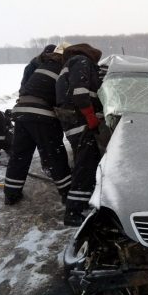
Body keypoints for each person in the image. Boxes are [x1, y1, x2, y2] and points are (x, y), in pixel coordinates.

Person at [3, 42, 72, 205]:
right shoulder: (64, 68)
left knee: (19, 156)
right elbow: (63, 97)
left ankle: (11, 194)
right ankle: (67, 193)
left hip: (21, 113)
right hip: (41, 115)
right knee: (55, 155)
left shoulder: (43, 64)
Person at [55, 43, 103, 226]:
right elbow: (80, 91)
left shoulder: (69, 63)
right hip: (79, 118)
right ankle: (73, 211)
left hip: (73, 119)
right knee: (86, 164)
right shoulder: (81, 60)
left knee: (83, 162)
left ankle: (81, 200)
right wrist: (90, 115)